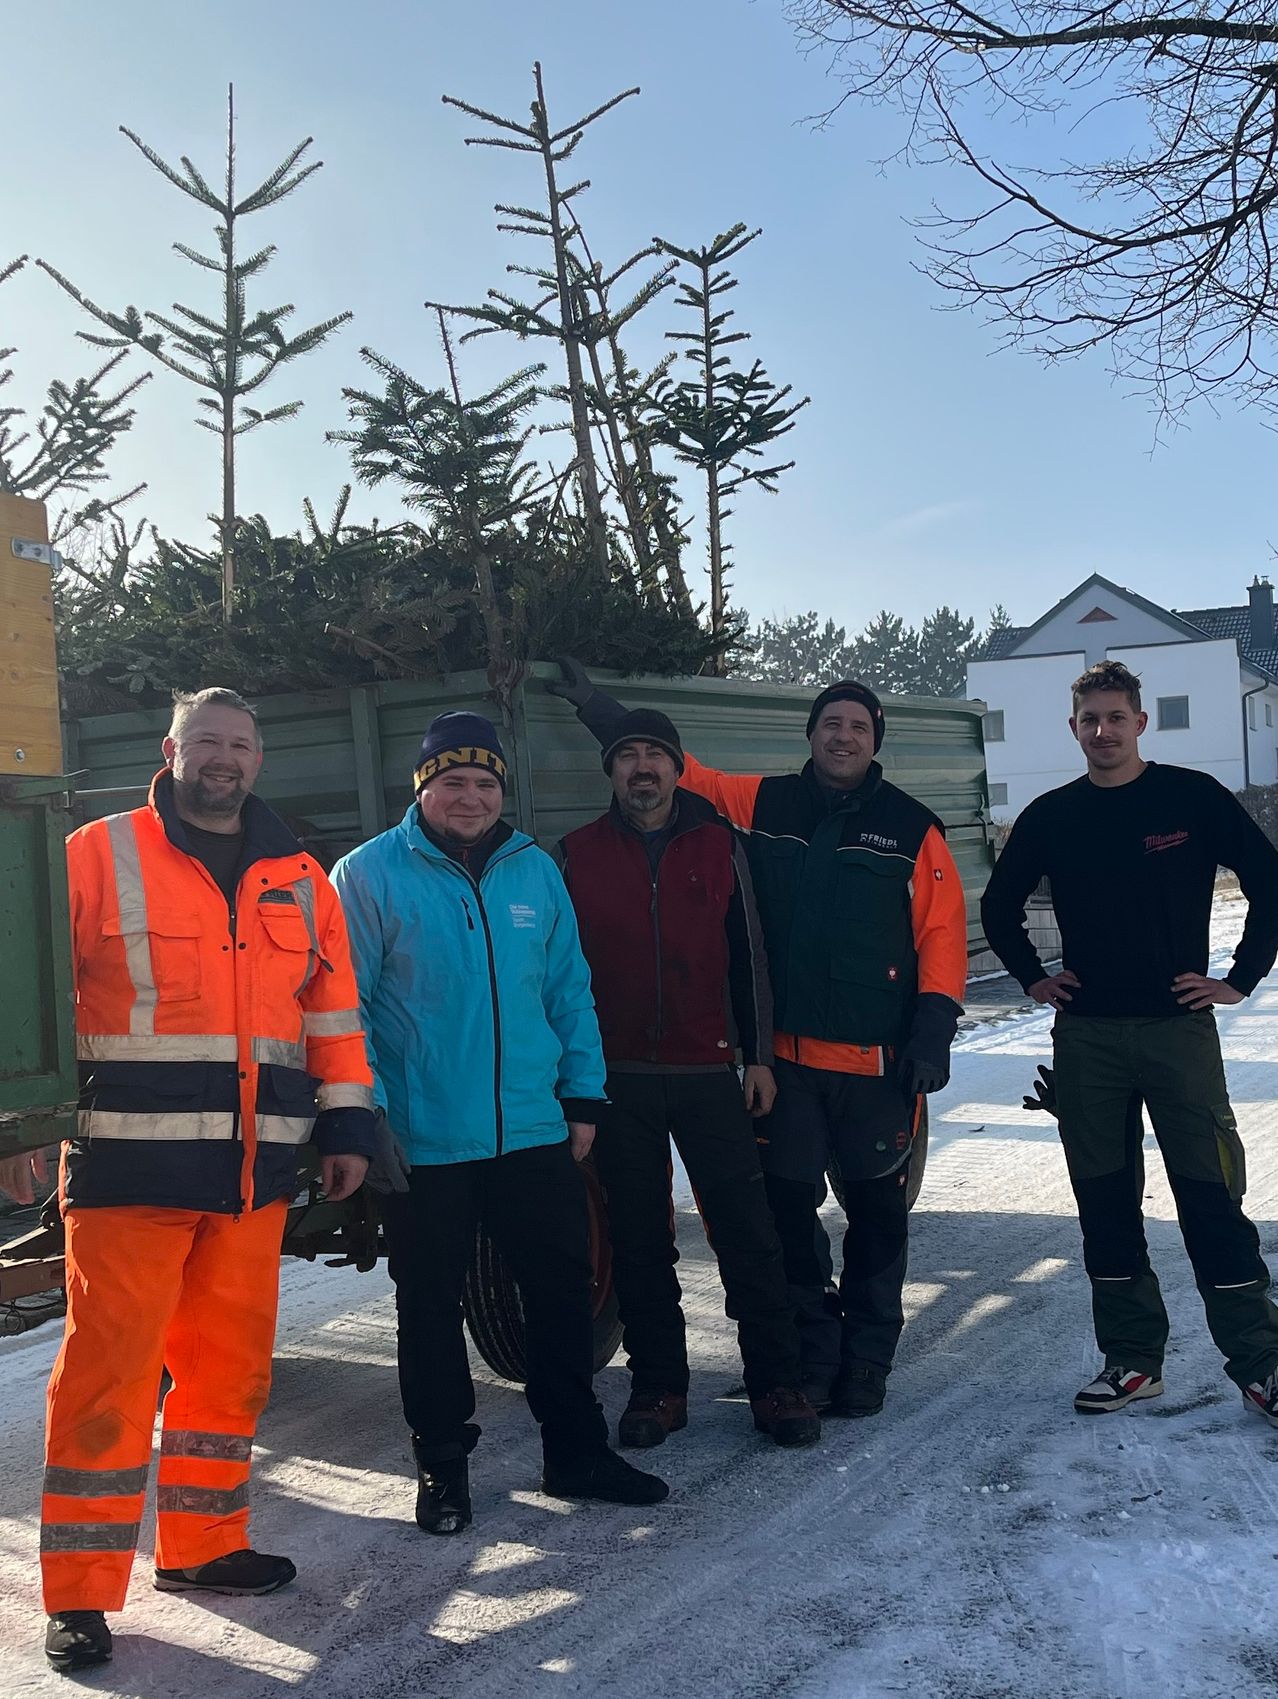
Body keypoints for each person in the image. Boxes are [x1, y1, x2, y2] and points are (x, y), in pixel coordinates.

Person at [42, 688, 376, 1673]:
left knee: (230, 1372)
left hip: (252, 1177)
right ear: (171, 750)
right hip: (125, 1172)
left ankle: (203, 1548)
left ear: (258, 760)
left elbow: (333, 1008)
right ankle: (80, 1592)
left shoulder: (301, 875)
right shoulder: (99, 853)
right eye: (206, 742)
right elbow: (30, 992)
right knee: (106, 1382)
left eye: (238, 744)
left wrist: (348, 1115)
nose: (222, 759)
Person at [550, 663, 967, 1419]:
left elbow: (940, 933)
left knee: (878, 1222)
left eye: (859, 727)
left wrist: (932, 1031)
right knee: (786, 1225)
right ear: (810, 735)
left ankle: (866, 1361)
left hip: (876, 1066)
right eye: (831, 724)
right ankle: (813, 1359)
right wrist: (592, 703)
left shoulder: (913, 826)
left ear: (876, 743)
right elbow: (677, 770)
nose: (843, 737)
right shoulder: (761, 800)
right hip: (788, 1067)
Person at [331, 711, 667, 1536]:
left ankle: (575, 1453)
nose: (471, 796)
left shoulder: (532, 872)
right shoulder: (370, 874)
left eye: (485, 782)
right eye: (453, 781)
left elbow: (567, 989)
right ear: (423, 787)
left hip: (531, 1131)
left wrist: (582, 1095)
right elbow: (347, 1009)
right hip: (425, 1138)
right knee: (430, 1306)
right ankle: (443, 1468)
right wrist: (368, 1112)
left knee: (558, 1296)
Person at [981, 659, 1278, 1422]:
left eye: (1116, 717)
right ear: (1074, 728)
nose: (1104, 731)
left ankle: (1262, 1362)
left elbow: (1268, 881)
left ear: (1141, 723)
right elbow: (999, 904)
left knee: (1211, 1196)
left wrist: (1240, 976)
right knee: (1105, 1202)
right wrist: (1034, 978)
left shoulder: (1191, 799)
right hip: (1089, 1038)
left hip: (1179, 1031)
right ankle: (1134, 1360)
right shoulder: (1052, 815)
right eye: (1090, 720)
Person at [555, 707, 820, 1450]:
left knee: (748, 1234)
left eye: (655, 755)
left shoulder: (720, 843)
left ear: (677, 767)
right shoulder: (575, 853)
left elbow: (751, 957)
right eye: (627, 755)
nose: (642, 767)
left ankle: (775, 1382)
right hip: (618, 1078)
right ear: (610, 771)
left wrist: (759, 1055)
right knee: (639, 1240)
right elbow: (558, 973)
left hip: (712, 1071)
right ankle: (659, 1386)